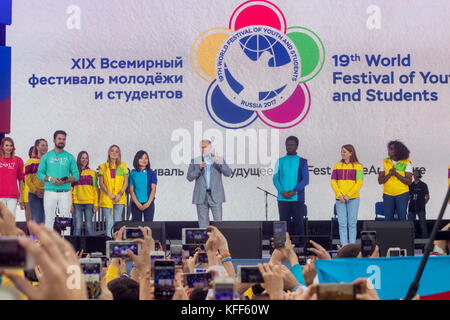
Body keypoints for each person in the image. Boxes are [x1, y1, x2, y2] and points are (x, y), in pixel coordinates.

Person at [36, 130, 80, 230]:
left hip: (65, 192)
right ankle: (48, 244)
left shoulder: (69, 157)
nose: (61, 141)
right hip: (50, 192)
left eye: (64, 139)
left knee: (66, 220)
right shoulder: (46, 157)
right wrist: (51, 179)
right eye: (59, 139)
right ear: (54, 140)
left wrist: (65, 180)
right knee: (49, 219)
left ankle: (65, 243)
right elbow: (39, 174)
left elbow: (76, 175)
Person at [186, 139, 231, 228]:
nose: (203, 149)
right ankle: (205, 242)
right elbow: (189, 177)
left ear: (210, 147)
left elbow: (228, 173)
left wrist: (220, 163)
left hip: (216, 195)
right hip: (201, 196)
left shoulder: (218, 159)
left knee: (218, 223)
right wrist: (198, 168)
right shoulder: (195, 160)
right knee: (203, 224)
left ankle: (218, 242)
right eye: (201, 147)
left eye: (205, 147)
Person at [273, 136, 309, 236]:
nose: (289, 147)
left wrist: (295, 191)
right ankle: (283, 247)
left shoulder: (303, 161)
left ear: (297, 146)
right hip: (282, 198)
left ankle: (299, 247)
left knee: (299, 223)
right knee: (283, 224)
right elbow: (275, 178)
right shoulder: (279, 161)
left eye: (292, 145)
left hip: (297, 198)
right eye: (287, 145)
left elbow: (305, 180)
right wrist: (282, 191)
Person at [331, 144, 363, 245]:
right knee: (342, 224)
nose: (342, 154)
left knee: (352, 223)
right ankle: (344, 245)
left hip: (353, 198)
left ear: (351, 153)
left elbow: (359, 183)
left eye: (344, 152)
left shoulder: (359, 166)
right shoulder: (337, 165)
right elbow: (333, 182)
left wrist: (348, 195)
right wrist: (339, 195)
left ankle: (352, 245)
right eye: (341, 151)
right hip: (340, 199)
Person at [98, 145, 129, 238]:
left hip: (119, 197)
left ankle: (117, 241)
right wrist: (109, 194)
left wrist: (120, 194)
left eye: (117, 151)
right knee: (109, 221)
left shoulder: (123, 166)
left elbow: (126, 182)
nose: (114, 153)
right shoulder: (102, 166)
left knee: (117, 221)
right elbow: (101, 183)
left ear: (119, 154)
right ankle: (108, 242)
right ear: (108, 153)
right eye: (112, 151)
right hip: (107, 197)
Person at [378, 140, 412, 221]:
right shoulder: (385, 161)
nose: (388, 150)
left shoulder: (406, 163)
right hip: (388, 194)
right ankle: (388, 234)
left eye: (391, 148)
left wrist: (396, 174)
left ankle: (403, 234)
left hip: (402, 194)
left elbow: (409, 182)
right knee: (388, 219)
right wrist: (389, 174)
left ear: (398, 150)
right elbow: (380, 181)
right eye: (389, 148)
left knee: (402, 218)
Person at [71, 151, 98, 236]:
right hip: (77, 203)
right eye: (82, 158)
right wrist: (71, 204)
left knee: (89, 226)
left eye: (86, 158)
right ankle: (76, 248)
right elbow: (70, 189)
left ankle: (90, 248)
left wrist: (96, 203)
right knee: (77, 226)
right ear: (79, 159)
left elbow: (95, 189)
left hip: (89, 203)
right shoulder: (73, 173)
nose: (84, 160)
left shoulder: (93, 173)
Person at [128, 150, 157, 222]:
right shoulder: (132, 173)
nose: (144, 160)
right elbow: (131, 191)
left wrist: (147, 204)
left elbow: (153, 189)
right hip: (136, 204)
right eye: (141, 158)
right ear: (137, 160)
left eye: (146, 158)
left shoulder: (152, 173)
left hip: (149, 204)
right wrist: (138, 204)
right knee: (136, 227)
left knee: (149, 226)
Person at [25, 139, 48, 224]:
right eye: (42, 145)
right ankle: (35, 238)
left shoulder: (50, 162)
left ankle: (43, 238)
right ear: (37, 147)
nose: (45, 147)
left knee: (46, 221)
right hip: (34, 195)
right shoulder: (30, 162)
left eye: (46, 145)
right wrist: (35, 190)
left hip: (47, 194)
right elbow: (27, 179)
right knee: (37, 220)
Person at [0, 137, 24, 216]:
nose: (9, 148)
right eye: (6, 145)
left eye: (11, 146)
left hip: (12, 195)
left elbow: (21, 179)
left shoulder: (18, 160)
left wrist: (21, 196)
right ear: (2, 147)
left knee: (10, 219)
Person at [407, 169, 429, 238]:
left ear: (419, 175)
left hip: (421, 207)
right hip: (412, 206)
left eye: (416, 173)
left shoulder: (423, 185)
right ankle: (411, 236)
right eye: (414, 173)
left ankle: (425, 236)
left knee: (422, 223)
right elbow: (409, 196)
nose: (414, 175)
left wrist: (423, 203)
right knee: (411, 223)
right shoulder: (411, 185)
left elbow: (427, 197)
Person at [22, 146, 35, 222]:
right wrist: (22, 198)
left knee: (39, 221)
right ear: (30, 153)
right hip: (28, 197)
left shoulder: (43, 165)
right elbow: (23, 183)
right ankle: (31, 234)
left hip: (40, 197)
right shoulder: (26, 165)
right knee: (30, 221)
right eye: (33, 151)